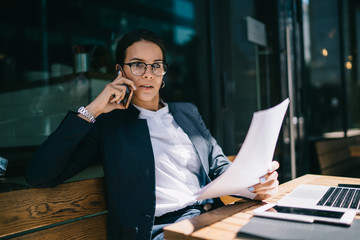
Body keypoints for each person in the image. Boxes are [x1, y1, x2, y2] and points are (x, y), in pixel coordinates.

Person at [25, 29, 279, 240]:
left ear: (163, 72)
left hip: (209, 217)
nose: (148, 74)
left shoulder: (186, 112)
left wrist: (255, 185)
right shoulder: (108, 124)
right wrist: (92, 110)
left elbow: (218, 165)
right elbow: (40, 174)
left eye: (156, 65)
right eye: (137, 65)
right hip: (157, 232)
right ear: (119, 71)